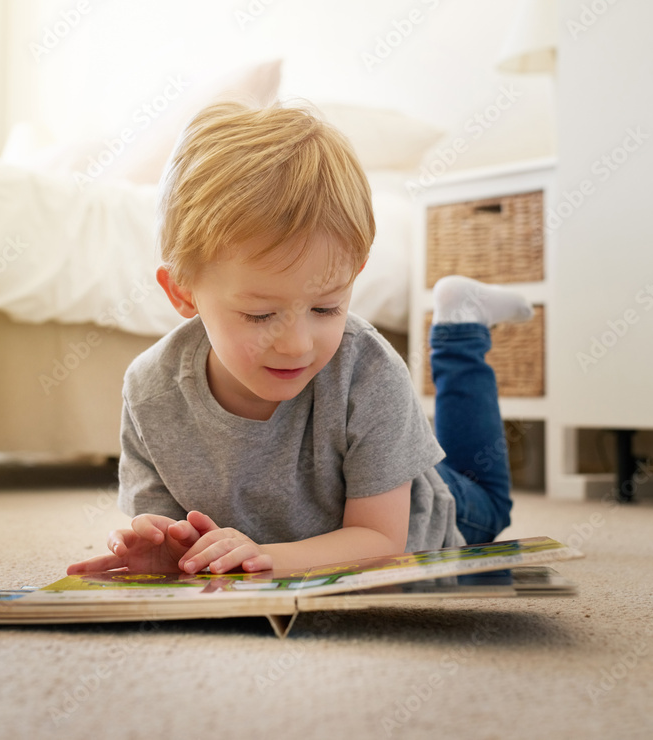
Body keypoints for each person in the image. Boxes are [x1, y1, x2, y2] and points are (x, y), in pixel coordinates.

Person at [67, 101, 532, 577]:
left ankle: (461, 328)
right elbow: (173, 533)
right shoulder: (151, 392)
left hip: (431, 509)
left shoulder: (367, 369)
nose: (296, 344)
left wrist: (272, 558)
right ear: (183, 294)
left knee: (489, 500)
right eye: (260, 314)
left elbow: (380, 541)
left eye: (326, 308)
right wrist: (168, 551)